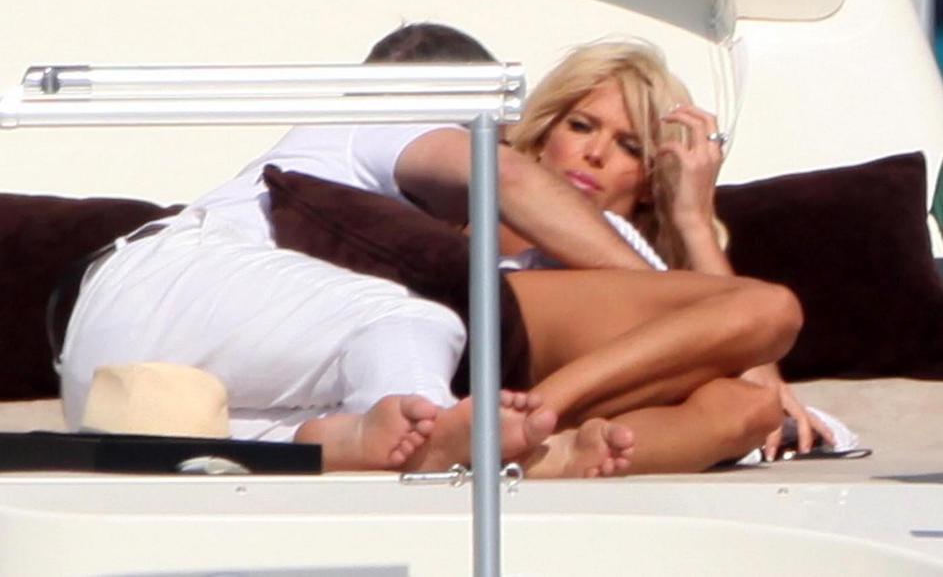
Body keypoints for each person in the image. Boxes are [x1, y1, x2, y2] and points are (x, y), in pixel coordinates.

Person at [57, 23, 639, 474]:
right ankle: (443, 445)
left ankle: (354, 441)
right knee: (412, 322)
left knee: (358, 424)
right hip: (159, 282)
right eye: (494, 135)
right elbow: (504, 177)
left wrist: (682, 217)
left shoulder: (379, 233)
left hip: (123, 393)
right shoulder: (371, 118)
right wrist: (652, 288)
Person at [491, 40, 835, 475]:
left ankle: (554, 456)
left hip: (591, 377)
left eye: (630, 147)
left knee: (752, 407)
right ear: (543, 137)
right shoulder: (502, 207)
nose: (595, 153)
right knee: (773, 308)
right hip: (512, 333)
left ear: (650, 184)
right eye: (580, 126)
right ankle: (532, 417)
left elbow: (755, 377)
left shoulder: (639, 254)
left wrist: (694, 219)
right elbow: (750, 342)